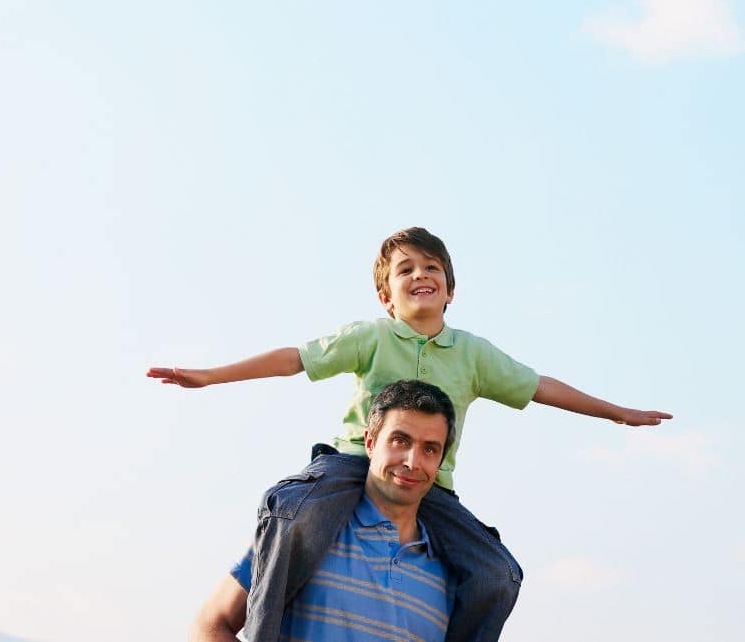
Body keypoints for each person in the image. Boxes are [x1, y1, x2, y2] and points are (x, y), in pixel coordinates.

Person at [150, 227, 672, 642]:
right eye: (406, 270)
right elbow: (294, 359)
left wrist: (616, 413)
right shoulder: (372, 336)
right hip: (353, 462)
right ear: (386, 294)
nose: (420, 275)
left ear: (451, 288)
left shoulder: (473, 354)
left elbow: (541, 387)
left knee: (497, 576)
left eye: (432, 268)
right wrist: (210, 376)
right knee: (292, 512)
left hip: (430, 484)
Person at [192, 380, 459, 642]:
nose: (413, 461)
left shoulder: (452, 574)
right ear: (370, 443)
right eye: (400, 441)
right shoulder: (304, 529)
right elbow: (210, 625)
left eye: (429, 449)